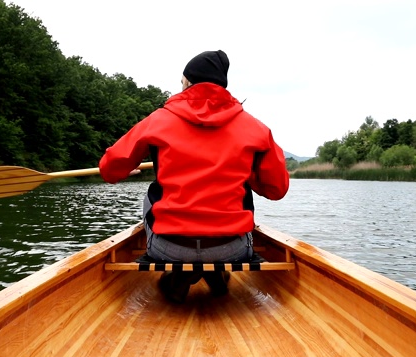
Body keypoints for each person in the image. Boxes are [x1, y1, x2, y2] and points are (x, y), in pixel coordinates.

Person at [99, 50, 289, 303]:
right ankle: (214, 270)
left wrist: (125, 168)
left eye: (182, 83)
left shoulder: (157, 121)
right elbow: (276, 190)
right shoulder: (256, 128)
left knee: (149, 198)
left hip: (169, 248)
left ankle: (185, 274)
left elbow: (109, 170)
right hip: (231, 249)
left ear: (188, 83)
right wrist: (247, 173)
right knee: (241, 195)